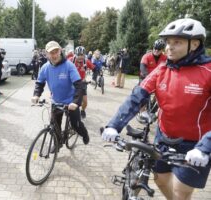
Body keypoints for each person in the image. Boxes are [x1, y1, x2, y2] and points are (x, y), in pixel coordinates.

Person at [102, 18, 211, 200]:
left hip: (195, 145)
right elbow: (136, 98)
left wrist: (205, 147)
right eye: (168, 42)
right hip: (164, 138)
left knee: (180, 190)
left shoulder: (208, 71)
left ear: (194, 44)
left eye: (177, 42)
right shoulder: (161, 70)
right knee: (160, 180)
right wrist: (114, 125)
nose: (169, 47)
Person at [32, 41, 90, 148]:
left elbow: (79, 85)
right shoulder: (45, 67)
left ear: (60, 51)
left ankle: (84, 134)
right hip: (56, 101)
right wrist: (36, 95)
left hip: (70, 101)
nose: (54, 55)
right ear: (47, 54)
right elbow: (39, 83)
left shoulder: (69, 66)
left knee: (75, 124)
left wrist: (76, 102)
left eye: (56, 52)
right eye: (51, 53)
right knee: (54, 126)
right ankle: (57, 144)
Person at [69, 46, 94, 119]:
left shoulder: (86, 61)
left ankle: (82, 110)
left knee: (85, 102)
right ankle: (68, 110)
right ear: (75, 54)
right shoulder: (70, 60)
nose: (80, 57)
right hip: (72, 82)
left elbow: (94, 68)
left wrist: (95, 78)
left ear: (84, 55)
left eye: (82, 55)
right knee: (69, 99)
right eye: (78, 55)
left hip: (82, 83)